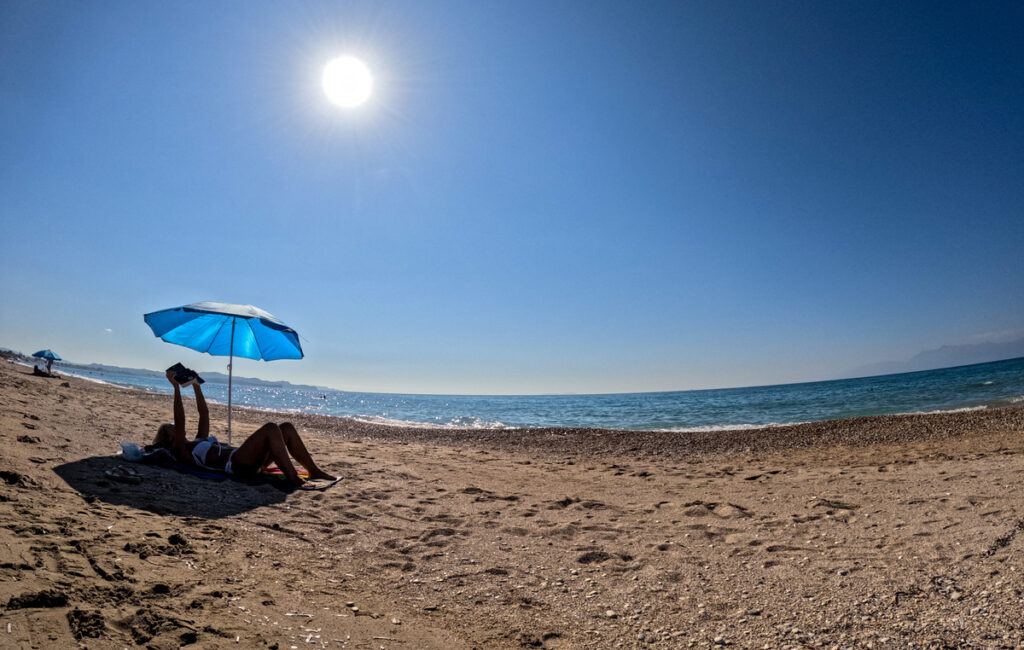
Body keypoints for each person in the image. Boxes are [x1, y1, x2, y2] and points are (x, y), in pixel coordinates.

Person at [150, 369, 336, 488]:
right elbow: (180, 420)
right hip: (237, 465)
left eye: (173, 426)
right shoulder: (182, 451)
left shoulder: (198, 441)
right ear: (168, 437)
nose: (176, 426)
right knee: (271, 428)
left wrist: (196, 386)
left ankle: (313, 470)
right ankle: (294, 478)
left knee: (285, 427)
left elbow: (204, 414)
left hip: (247, 458)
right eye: (171, 427)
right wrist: (175, 388)